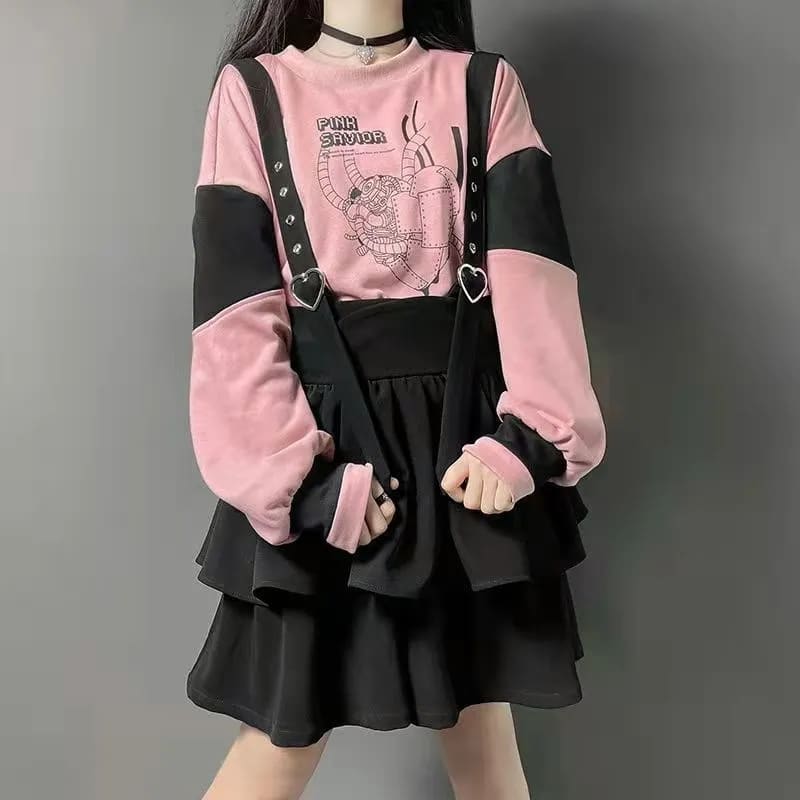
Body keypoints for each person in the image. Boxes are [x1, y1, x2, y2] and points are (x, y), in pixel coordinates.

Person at [186, 1, 606, 798]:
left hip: (462, 452)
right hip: (323, 446)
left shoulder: (483, 86)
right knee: (278, 745)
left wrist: (524, 443)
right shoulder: (253, 92)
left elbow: (536, 280)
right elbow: (233, 319)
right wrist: (301, 485)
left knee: (482, 736)